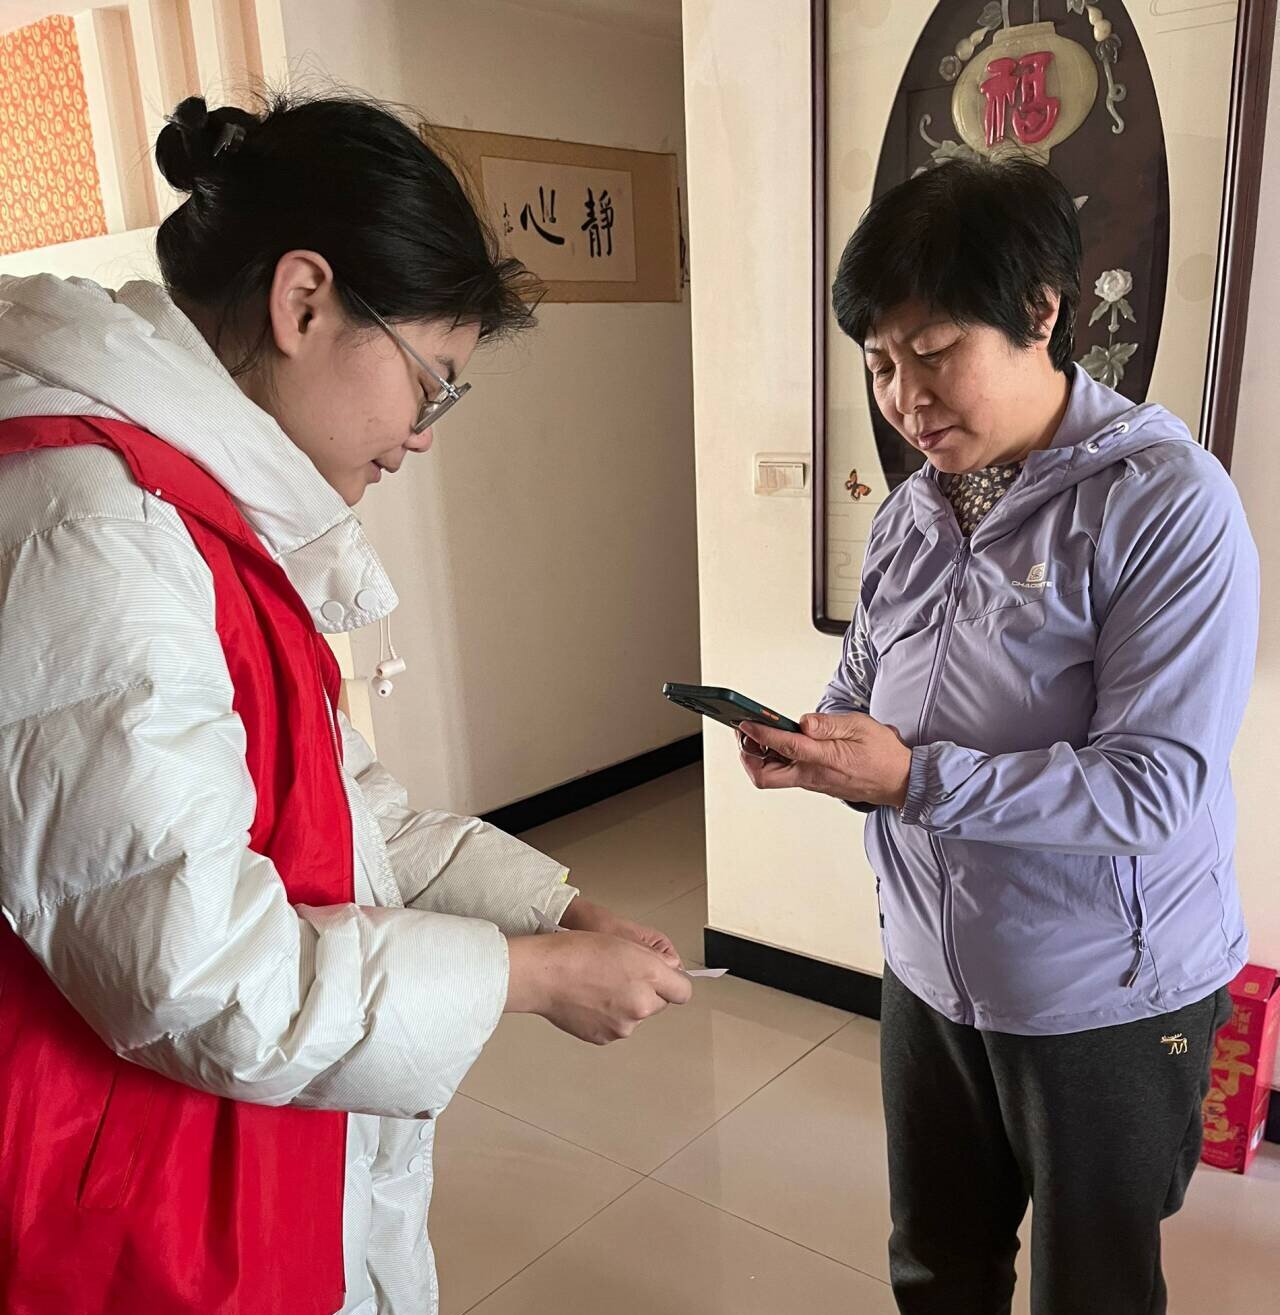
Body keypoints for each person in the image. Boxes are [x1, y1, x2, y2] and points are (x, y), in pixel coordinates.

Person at [0, 93, 691, 1315]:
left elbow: (343, 810)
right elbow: (197, 970)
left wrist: (547, 906)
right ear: (304, 300)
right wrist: (524, 975)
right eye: (432, 383)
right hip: (146, 1208)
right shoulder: (98, 531)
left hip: (218, 1160)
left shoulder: (186, 511)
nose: (423, 437)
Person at [737, 159, 1258, 1315]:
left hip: (1104, 994)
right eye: (878, 363)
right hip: (930, 966)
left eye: (932, 351)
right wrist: (820, 748)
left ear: (1039, 310)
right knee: (935, 1262)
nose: (903, 397)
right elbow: (863, 681)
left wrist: (912, 778)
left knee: (1091, 1288)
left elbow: (1150, 788)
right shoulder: (912, 510)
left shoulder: (1165, 504)